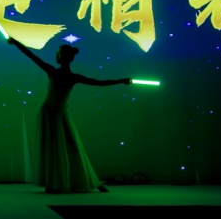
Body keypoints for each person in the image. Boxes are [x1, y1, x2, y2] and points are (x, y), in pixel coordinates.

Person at [8, 37, 130, 193]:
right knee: (55, 147)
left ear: (64, 57)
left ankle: (84, 181)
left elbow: (98, 83)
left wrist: (121, 81)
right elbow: (31, 55)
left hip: (58, 114)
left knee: (68, 146)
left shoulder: (63, 74)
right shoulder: (60, 73)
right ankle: (55, 182)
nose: (56, 57)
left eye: (58, 54)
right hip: (49, 113)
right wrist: (16, 43)